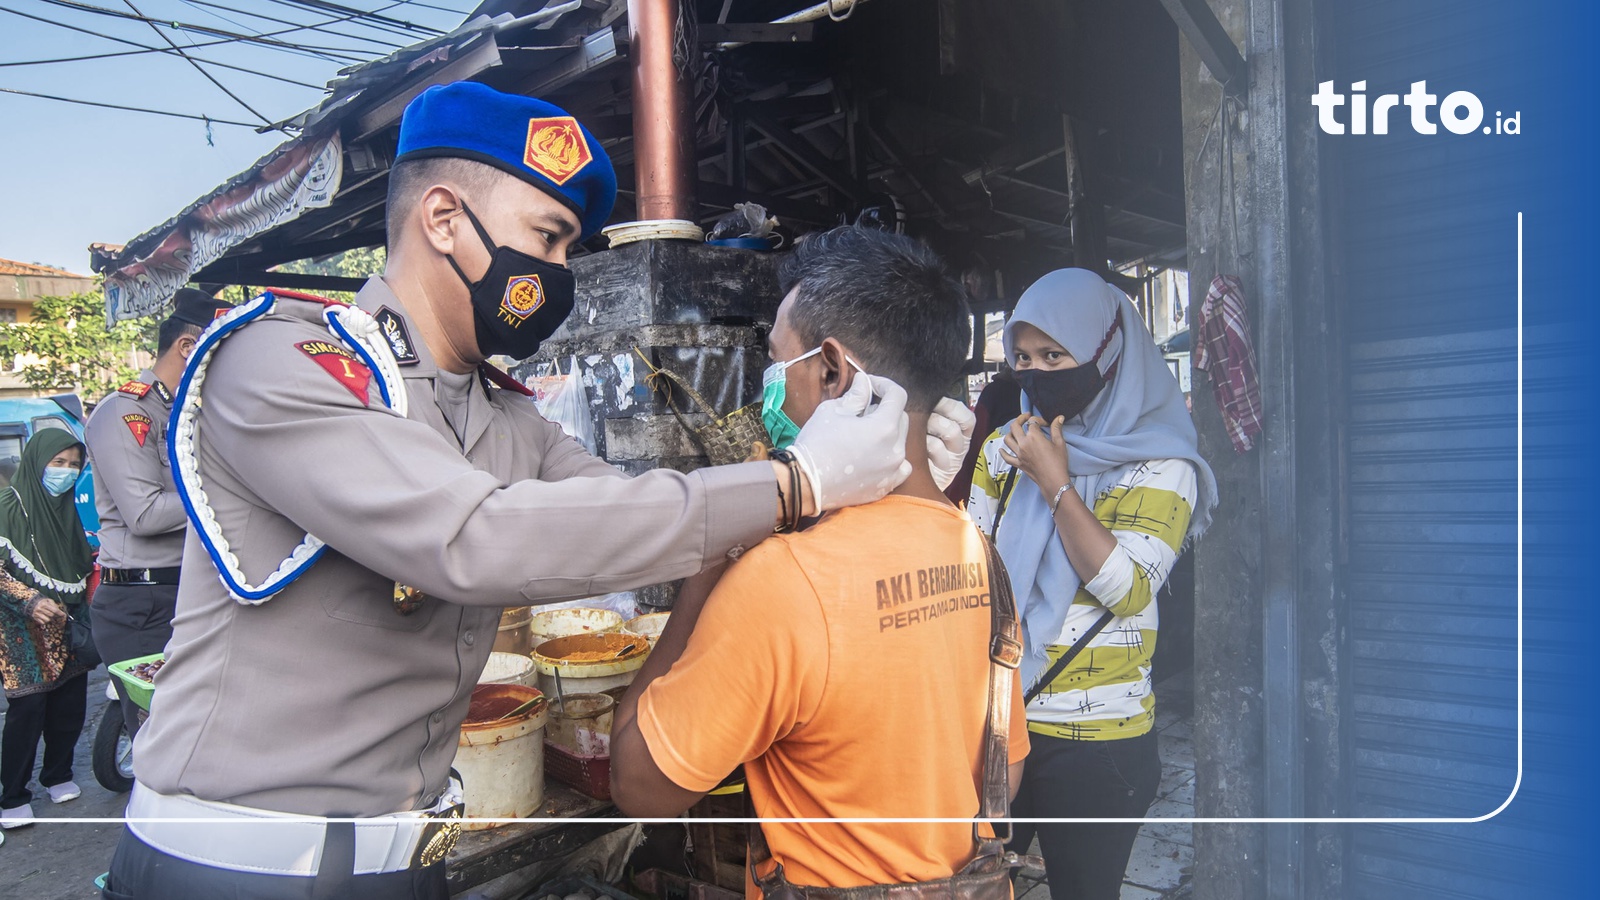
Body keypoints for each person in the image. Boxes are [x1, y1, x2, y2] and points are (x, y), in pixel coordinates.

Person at [103, 83, 966, 900]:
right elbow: (473, 539)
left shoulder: (505, 415)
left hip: (407, 857)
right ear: (444, 218)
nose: (558, 269)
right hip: (241, 867)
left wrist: (883, 462)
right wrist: (797, 479)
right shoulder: (286, 364)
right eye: (548, 236)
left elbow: (624, 518)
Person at [610, 226, 1028, 894]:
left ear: (833, 372)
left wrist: (709, 570)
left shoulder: (782, 581)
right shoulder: (978, 551)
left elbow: (637, 784)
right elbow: (1001, 765)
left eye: (776, 365)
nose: (767, 391)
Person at [968, 268, 1218, 900]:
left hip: (1099, 740)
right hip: (1000, 719)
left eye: (1055, 354)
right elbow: (972, 564)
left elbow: (1126, 587)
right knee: (976, 885)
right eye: (1023, 358)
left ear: (1108, 351)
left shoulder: (1163, 462)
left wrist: (1055, 484)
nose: (1038, 373)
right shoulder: (1006, 447)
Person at [85, 288, 231, 745]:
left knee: (199, 730)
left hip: (183, 589)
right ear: (189, 348)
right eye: (214, 352)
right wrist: (228, 496)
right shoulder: (126, 411)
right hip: (139, 604)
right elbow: (145, 513)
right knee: (160, 738)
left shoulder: (184, 412)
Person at [0, 429, 96, 828]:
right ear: (38, 462)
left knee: (70, 705)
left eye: (74, 465)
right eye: (58, 463)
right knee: (28, 708)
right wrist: (30, 599)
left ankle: (58, 774)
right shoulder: (7, 505)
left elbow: (78, 560)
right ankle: (13, 796)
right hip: (20, 626)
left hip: (67, 622)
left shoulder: (65, 508)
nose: (67, 472)